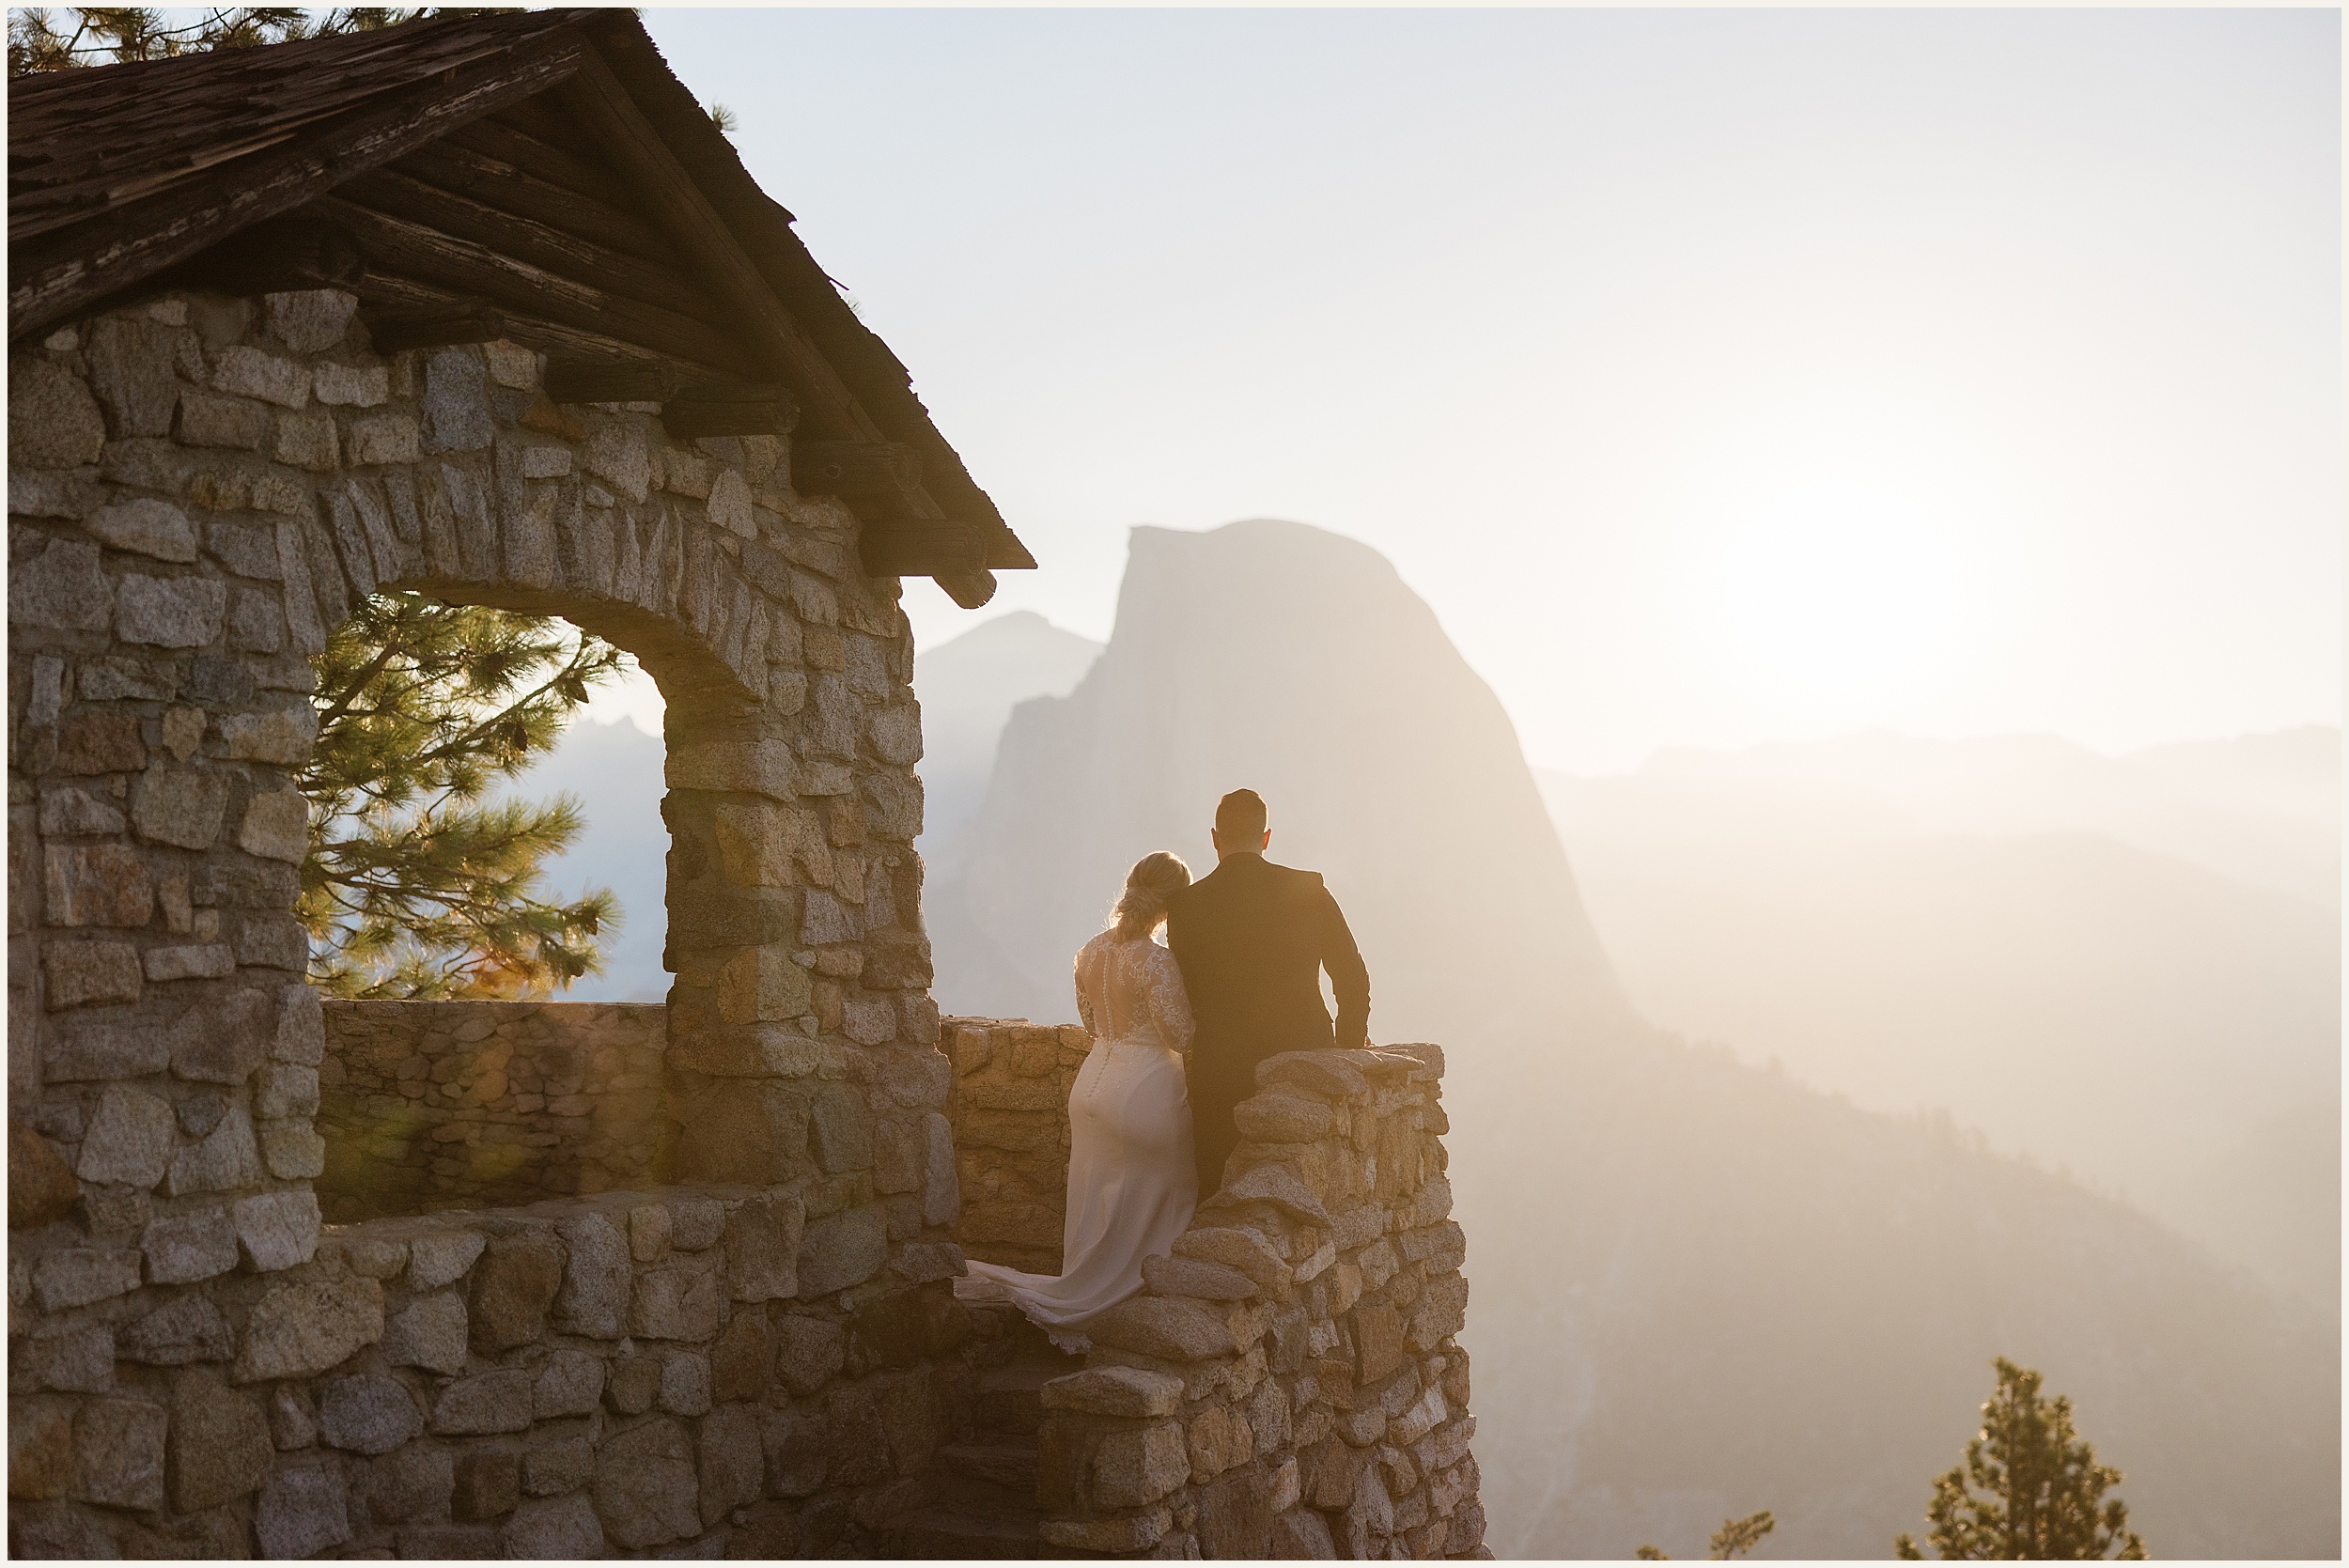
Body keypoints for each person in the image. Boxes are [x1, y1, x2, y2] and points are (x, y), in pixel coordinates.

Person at [953, 852, 1199, 1350]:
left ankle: (1084, 1282)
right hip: (1145, 1089)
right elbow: (1180, 1035)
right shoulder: (1157, 961)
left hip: (1089, 1089)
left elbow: (1091, 1024)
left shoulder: (1089, 952)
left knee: (1094, 1195)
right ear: (1172, 905)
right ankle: (1125, 1303)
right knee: (1167, 1191)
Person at [1165, 788, 1370, 1200]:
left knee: (1216, 1192)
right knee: (1304, 1197)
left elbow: (1181, 993)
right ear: (1266, 837)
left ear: (1215, 838)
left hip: (1218, 1069)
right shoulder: (1308, 890)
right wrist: (1345, 1052)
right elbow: (1352, 978)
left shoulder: (1186, 905)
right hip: (1302, 1062)